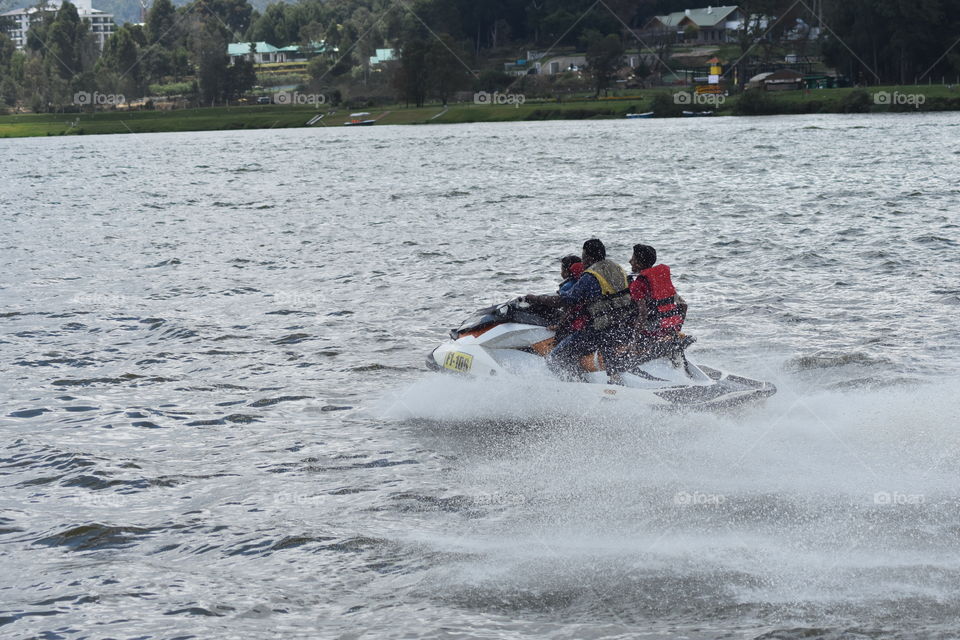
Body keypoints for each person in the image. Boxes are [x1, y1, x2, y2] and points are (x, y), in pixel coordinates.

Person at [526, 239, 633, 381]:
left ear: (588, 257)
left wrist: (535, 299)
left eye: (583, 256)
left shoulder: (590, 276)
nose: (583, 260)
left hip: (601, 331)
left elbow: (565, 300)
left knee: (554, 358)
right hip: (623, 326)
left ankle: (577, 387)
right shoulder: (617, 268)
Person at [628, 243, 687, 357]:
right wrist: (676, 329)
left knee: (626, 321)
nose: (629, 261)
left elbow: (643, 314)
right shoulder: (661, 278)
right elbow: (684, 305)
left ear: (639, 263)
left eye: (633, 258)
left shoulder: (638, 284)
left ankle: (635, 351)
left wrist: (633, 342)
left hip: (653, 331)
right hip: (670, 328)